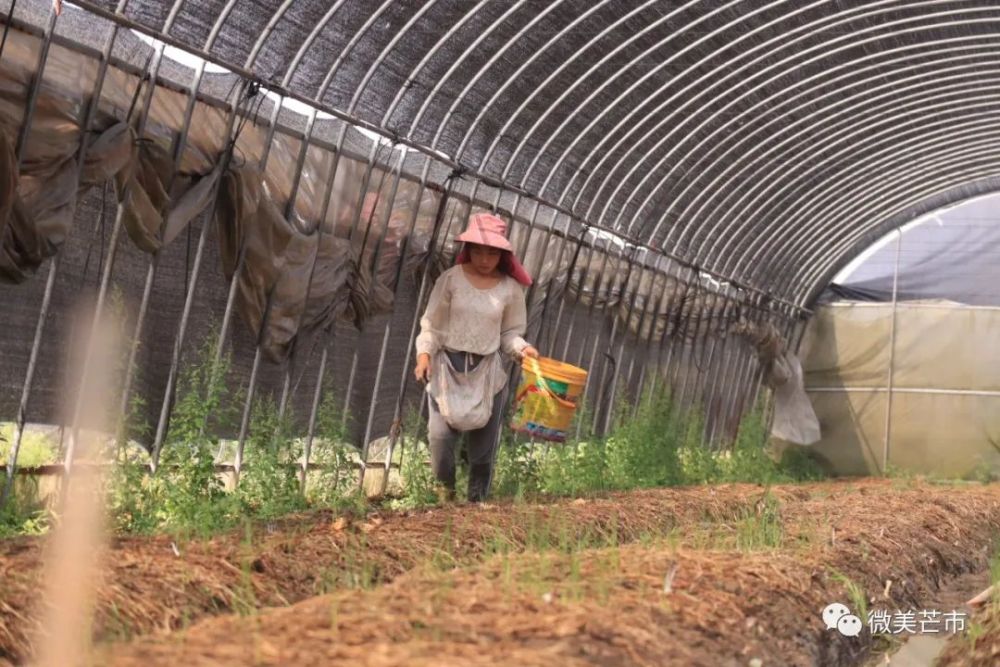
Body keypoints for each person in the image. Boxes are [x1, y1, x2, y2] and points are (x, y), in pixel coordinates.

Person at [414, 212, 538, 502]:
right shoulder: (451, 279)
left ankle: (477, 502)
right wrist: (424, 355)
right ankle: (445, 498)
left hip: (487, 373)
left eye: (492, 253)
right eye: (478, 251)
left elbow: (510, 332)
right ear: (468, 249)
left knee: (484, 448)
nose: (484, 259)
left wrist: (522, 350)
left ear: (502, 255)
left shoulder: (509, 289)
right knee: (440, 438)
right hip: (447, 368)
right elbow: (432, 324)